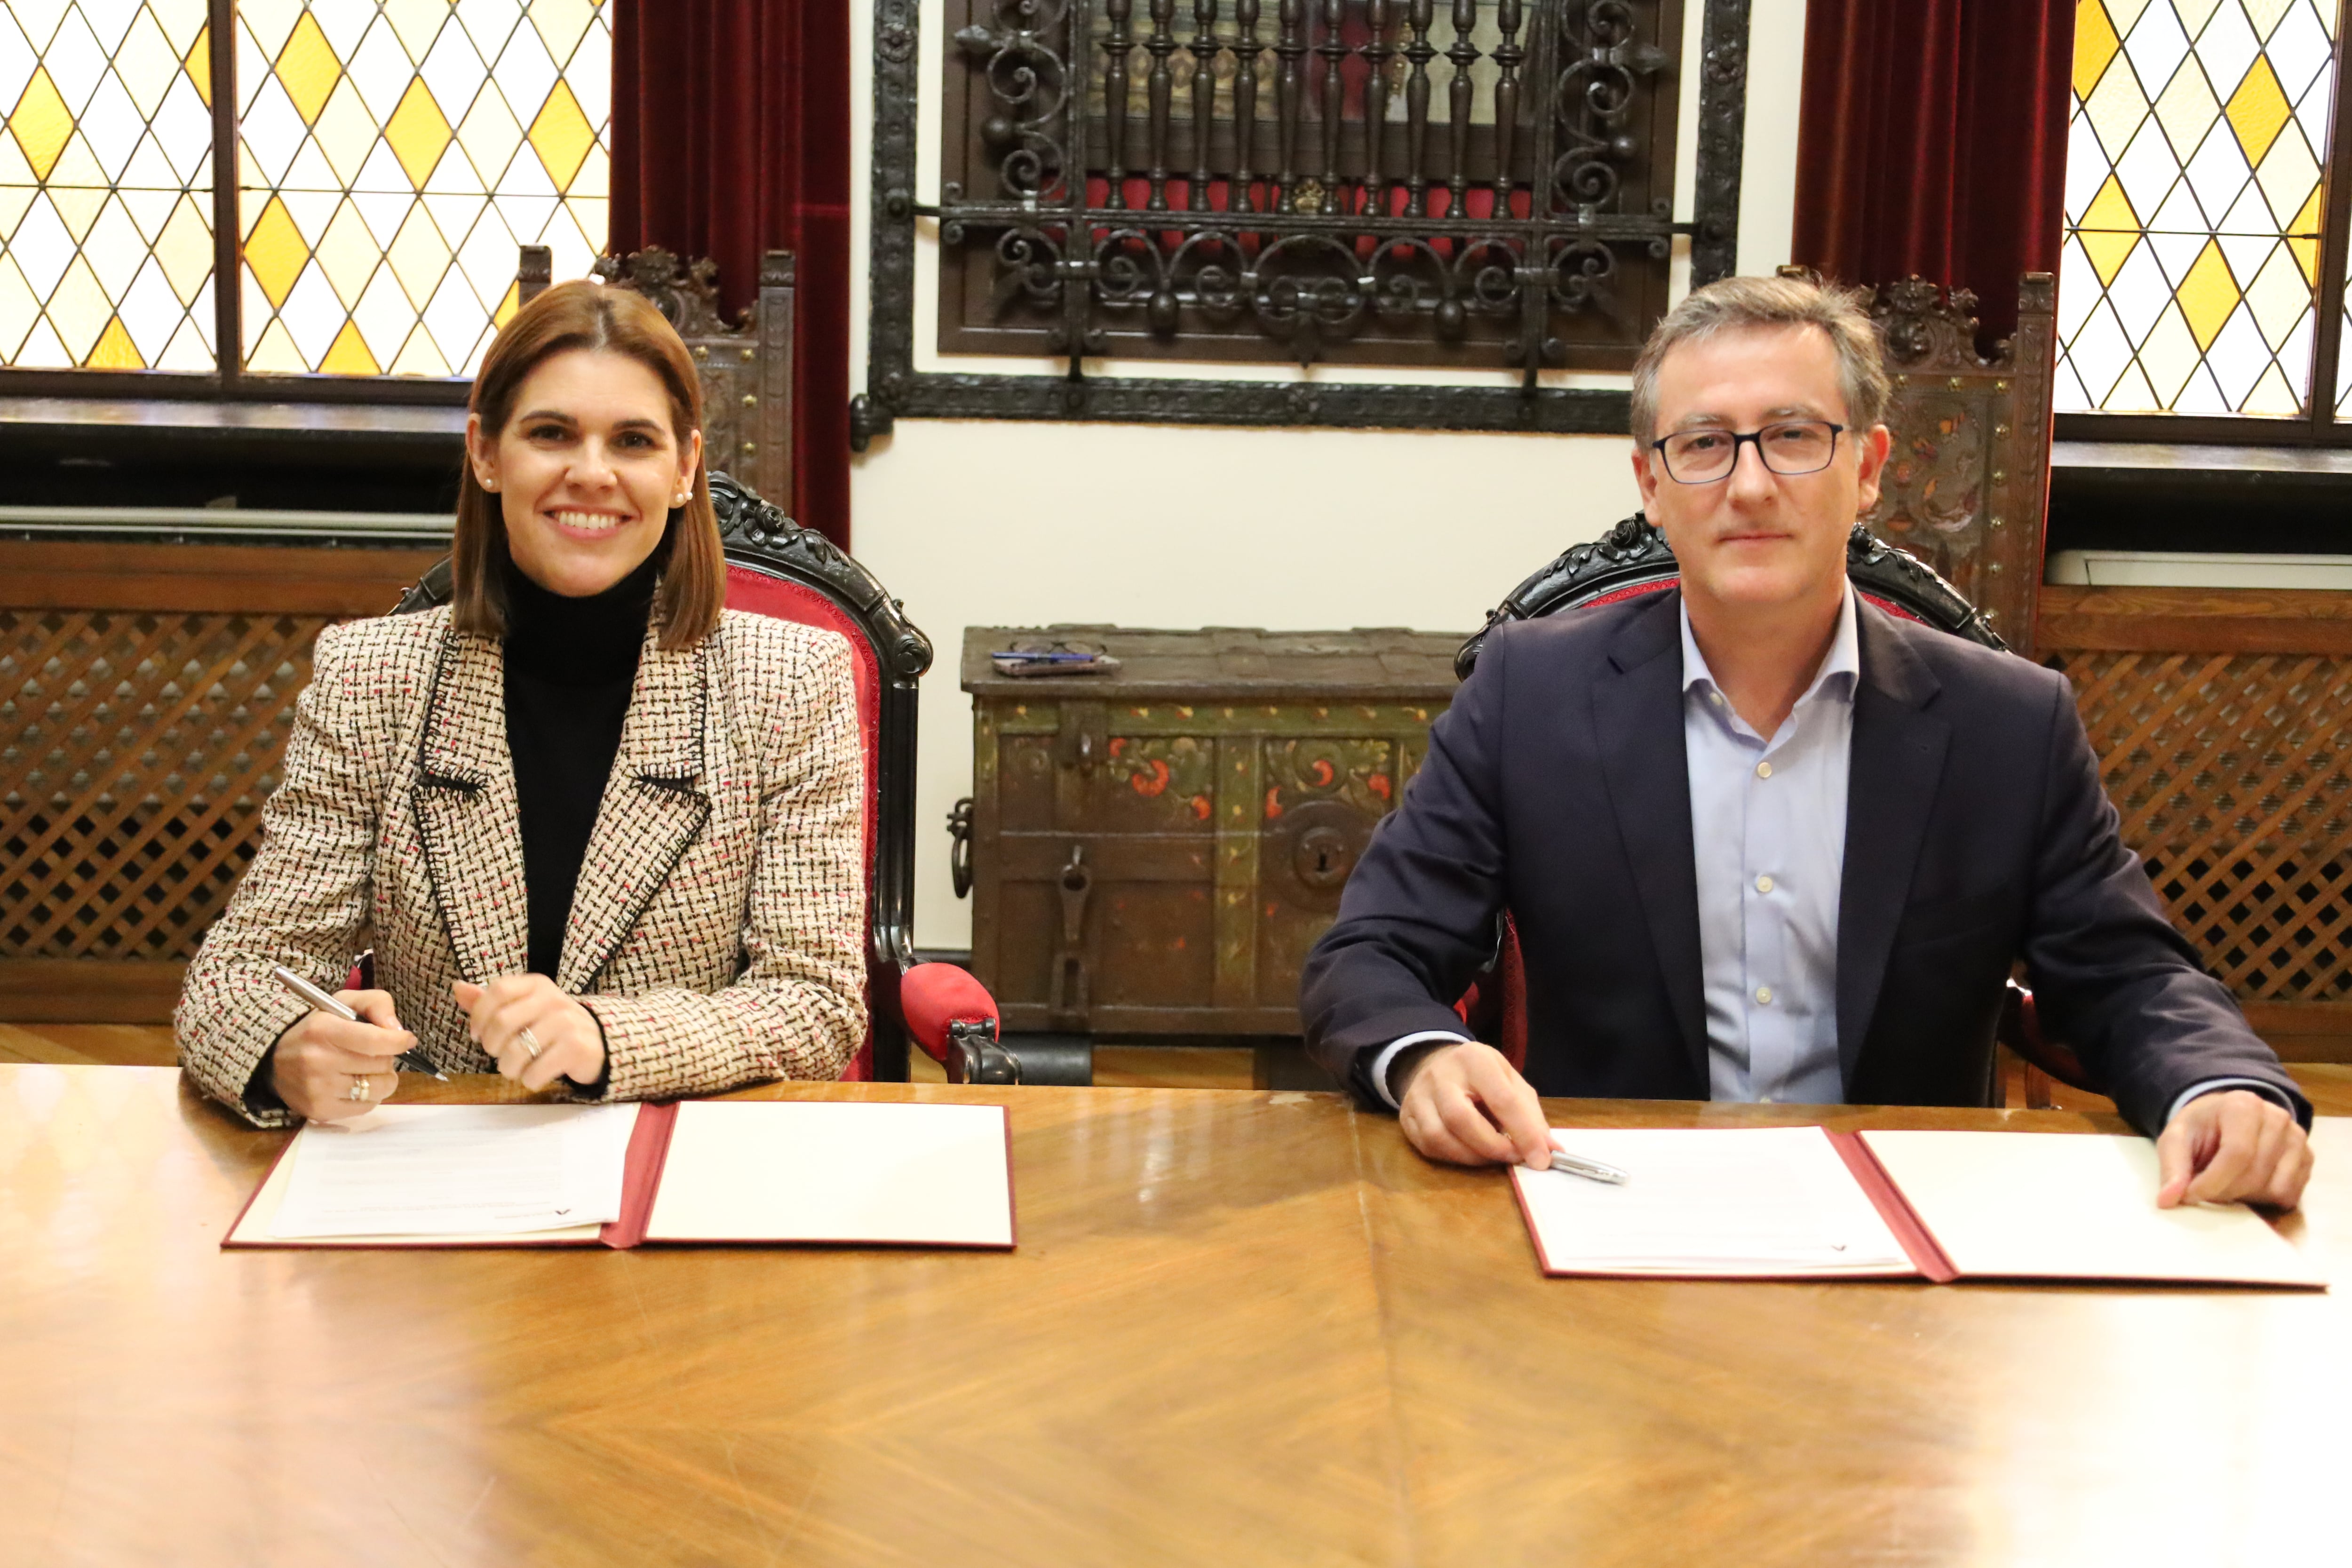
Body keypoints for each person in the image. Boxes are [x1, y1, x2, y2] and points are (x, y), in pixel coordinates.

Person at [1300, 274, 2314, 1210]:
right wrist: (1425, 1055)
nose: (1748, 485)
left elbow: (2130, 975)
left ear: (1868, 467)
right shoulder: (1529, 694)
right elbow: (1372, 952)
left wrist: (2216, 1083)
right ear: (1652, 486)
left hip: (1909, 1226)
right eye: (1702, 444)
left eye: (1792, 435)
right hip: (1613, 1203)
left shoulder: (2008, 723)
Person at [177, 281, 866, 1127]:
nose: (592, 473)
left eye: (634, 441)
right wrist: (285, 1048)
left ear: (685, 469)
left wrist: (606, 1038)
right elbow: (237, 974)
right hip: (436, 1183)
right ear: (487, 454)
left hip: (681, 1168)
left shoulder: (791, 682)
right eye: (551, 434)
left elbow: (816, 1003)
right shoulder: (370, 677)